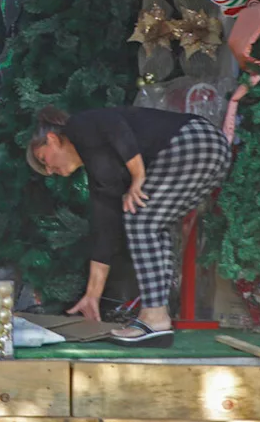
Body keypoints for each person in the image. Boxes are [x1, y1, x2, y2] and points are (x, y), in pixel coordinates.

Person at [26, 105, 231, 347]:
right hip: (209, 151)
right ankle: (155, 317)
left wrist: (138, 175)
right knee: (152, 223)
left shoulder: (80, 126)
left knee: (140, 218)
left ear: (52, 139)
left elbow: (115, 126)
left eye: (44, 160)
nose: (50, 171)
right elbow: (106, 232)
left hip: (193, 142)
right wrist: (92, 295)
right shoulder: (102, 175)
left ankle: (155, 317)